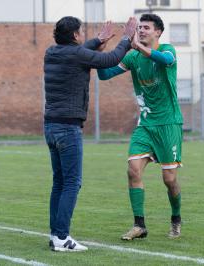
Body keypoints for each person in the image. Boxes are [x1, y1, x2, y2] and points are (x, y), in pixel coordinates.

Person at [44, 16, 137, 251]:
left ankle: (56, 235)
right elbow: (111, 59)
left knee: (60, 182)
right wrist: (126, 37)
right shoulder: (76, 54)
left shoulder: (51, 52)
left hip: (51, 126)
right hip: (67, 128)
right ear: (75, 35)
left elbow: (80, 51)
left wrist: (98, 39)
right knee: (72, 183)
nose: (82, 35)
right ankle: (62, 237)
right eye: (81, 32)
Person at [97, 14, 184, 240]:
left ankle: (176, 218)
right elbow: (105, 74)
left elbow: (166, 61)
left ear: (158, 32)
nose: (142, 30)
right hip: (145, 125)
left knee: (170, 180)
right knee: (133, 169)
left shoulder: (168, 50)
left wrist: (137, 47)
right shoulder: (134, 57)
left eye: (147, 27)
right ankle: (139, 225)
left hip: (168, 124)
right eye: (140, 27)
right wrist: (99, 51)